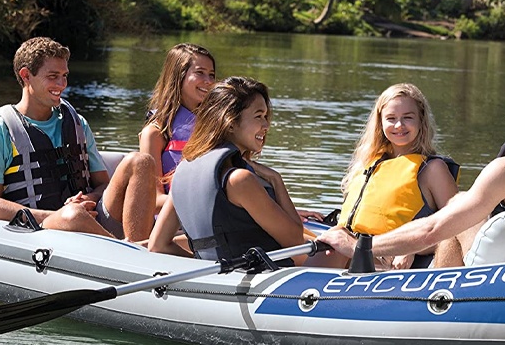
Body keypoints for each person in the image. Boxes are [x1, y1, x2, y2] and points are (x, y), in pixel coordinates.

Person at [318, 66, 505, 267]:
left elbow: (434, 229)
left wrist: (359, 246)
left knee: (460, 207)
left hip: (496, 287)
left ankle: (433, 305)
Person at [0, 36, 159, 242]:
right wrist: (59, 214)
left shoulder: (78, 123)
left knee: (141, 161)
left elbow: (103, 185)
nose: (61, 85)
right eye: (53, 76)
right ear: (26, 75)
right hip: (41, 227)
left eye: (64, 76)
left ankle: (139, 249)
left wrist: (88, 198)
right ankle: (127, 251)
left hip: (90, 217)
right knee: (73, 215)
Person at [147, 76, 310, 264]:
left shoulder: (182, 173)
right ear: (230, 123)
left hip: (220, 273)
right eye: (258, 116)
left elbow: (158, 245)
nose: (266, 125)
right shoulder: (240, 180)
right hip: (261, 276)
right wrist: (276, 179)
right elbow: (295, 241)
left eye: (265, 117)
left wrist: (204, 265)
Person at [309, 83, 459, 269]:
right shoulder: (367, 163)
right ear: (380, 123)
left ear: (421, 120)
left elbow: (458, 230)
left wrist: (412, 248)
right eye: (391, 118)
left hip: (389, 261)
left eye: (408, 117)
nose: (399, 125)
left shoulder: (433, 169)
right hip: (346, 250)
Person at [138, 43, 216, 210]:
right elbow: (154, 201)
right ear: (178, 76)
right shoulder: (155, 133)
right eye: (200, 72)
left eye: (212, 75)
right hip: (171, 221)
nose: (209, 81)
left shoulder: (217, 128)